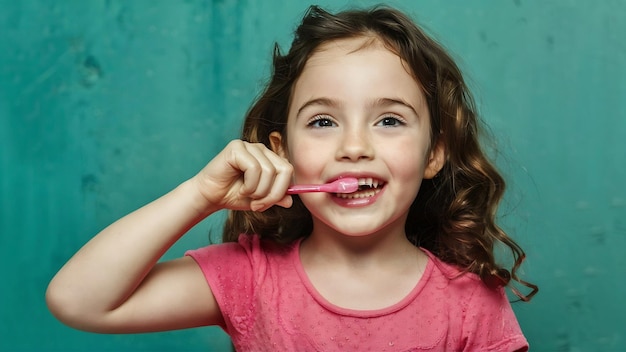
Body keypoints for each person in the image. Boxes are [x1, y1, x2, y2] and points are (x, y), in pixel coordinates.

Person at [46, 5, 538, 351]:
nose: (354, 147)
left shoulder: (471, 303)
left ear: (434, 154)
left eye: (389, 120)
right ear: (284, 154)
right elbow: (79, 302)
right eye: (323, 122)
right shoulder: (250, 279)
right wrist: (199, 195)